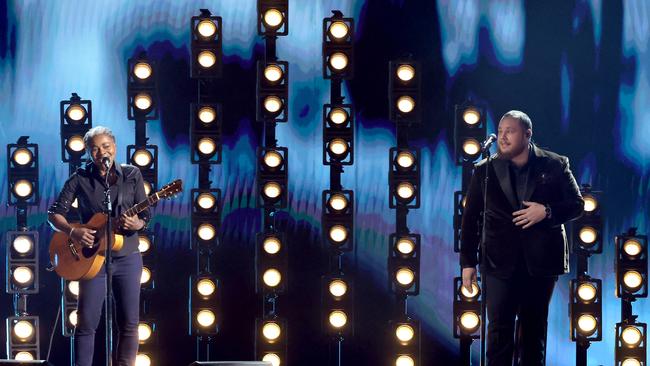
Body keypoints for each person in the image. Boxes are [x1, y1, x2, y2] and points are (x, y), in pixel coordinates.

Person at [460, 110, 584, 365]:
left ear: (527, 135)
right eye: (501, 131)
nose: (503, 137)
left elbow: (576, 204)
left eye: (511, 131)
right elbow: (470, 218)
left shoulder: (555, 164)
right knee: (498, 332)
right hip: (497, 261)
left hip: (540, 263)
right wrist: (467, 263)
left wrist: (546, 212)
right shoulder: (484, 170)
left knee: (533, 331)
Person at [48, 126, 150, 366]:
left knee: (129, 322)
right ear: (88, 153)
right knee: (86, 323)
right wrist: (74, 231)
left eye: (105, 146)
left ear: (114, 146)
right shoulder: (79, 178)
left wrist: (137, 222)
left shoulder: (132, 174)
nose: (101, 152)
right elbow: (54, 214)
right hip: (92, 260)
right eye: (94, 149)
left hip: (127, 256)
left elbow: (146, 214)